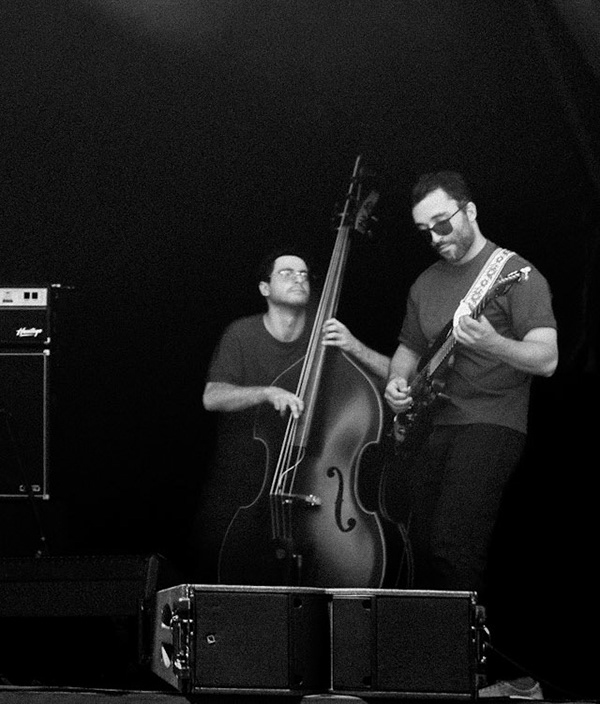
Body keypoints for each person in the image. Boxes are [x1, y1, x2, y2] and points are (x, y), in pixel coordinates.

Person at [383, 172, 556, 597]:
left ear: (470, 211)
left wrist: (495, 343)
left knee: (452, 546)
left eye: (443, 223)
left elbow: (547, 358)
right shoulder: (424, 283)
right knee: (417, 548)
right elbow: (408, 348)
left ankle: (461, 659)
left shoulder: (516, 273)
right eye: (425, 231)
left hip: (490, 422)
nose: (436, 237)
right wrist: (395, 382)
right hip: (432, 424)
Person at [190, 249, 389, 580]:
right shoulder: (241, 334)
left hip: (317, 484)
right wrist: (267, 392)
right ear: (264, 288)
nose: (299, 278)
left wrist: (352, 345)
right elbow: (212, 397)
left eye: (304, 274)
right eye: (286, 273)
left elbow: (395, 377)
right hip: (247, 479)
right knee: (216, 555)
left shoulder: (325, 337)